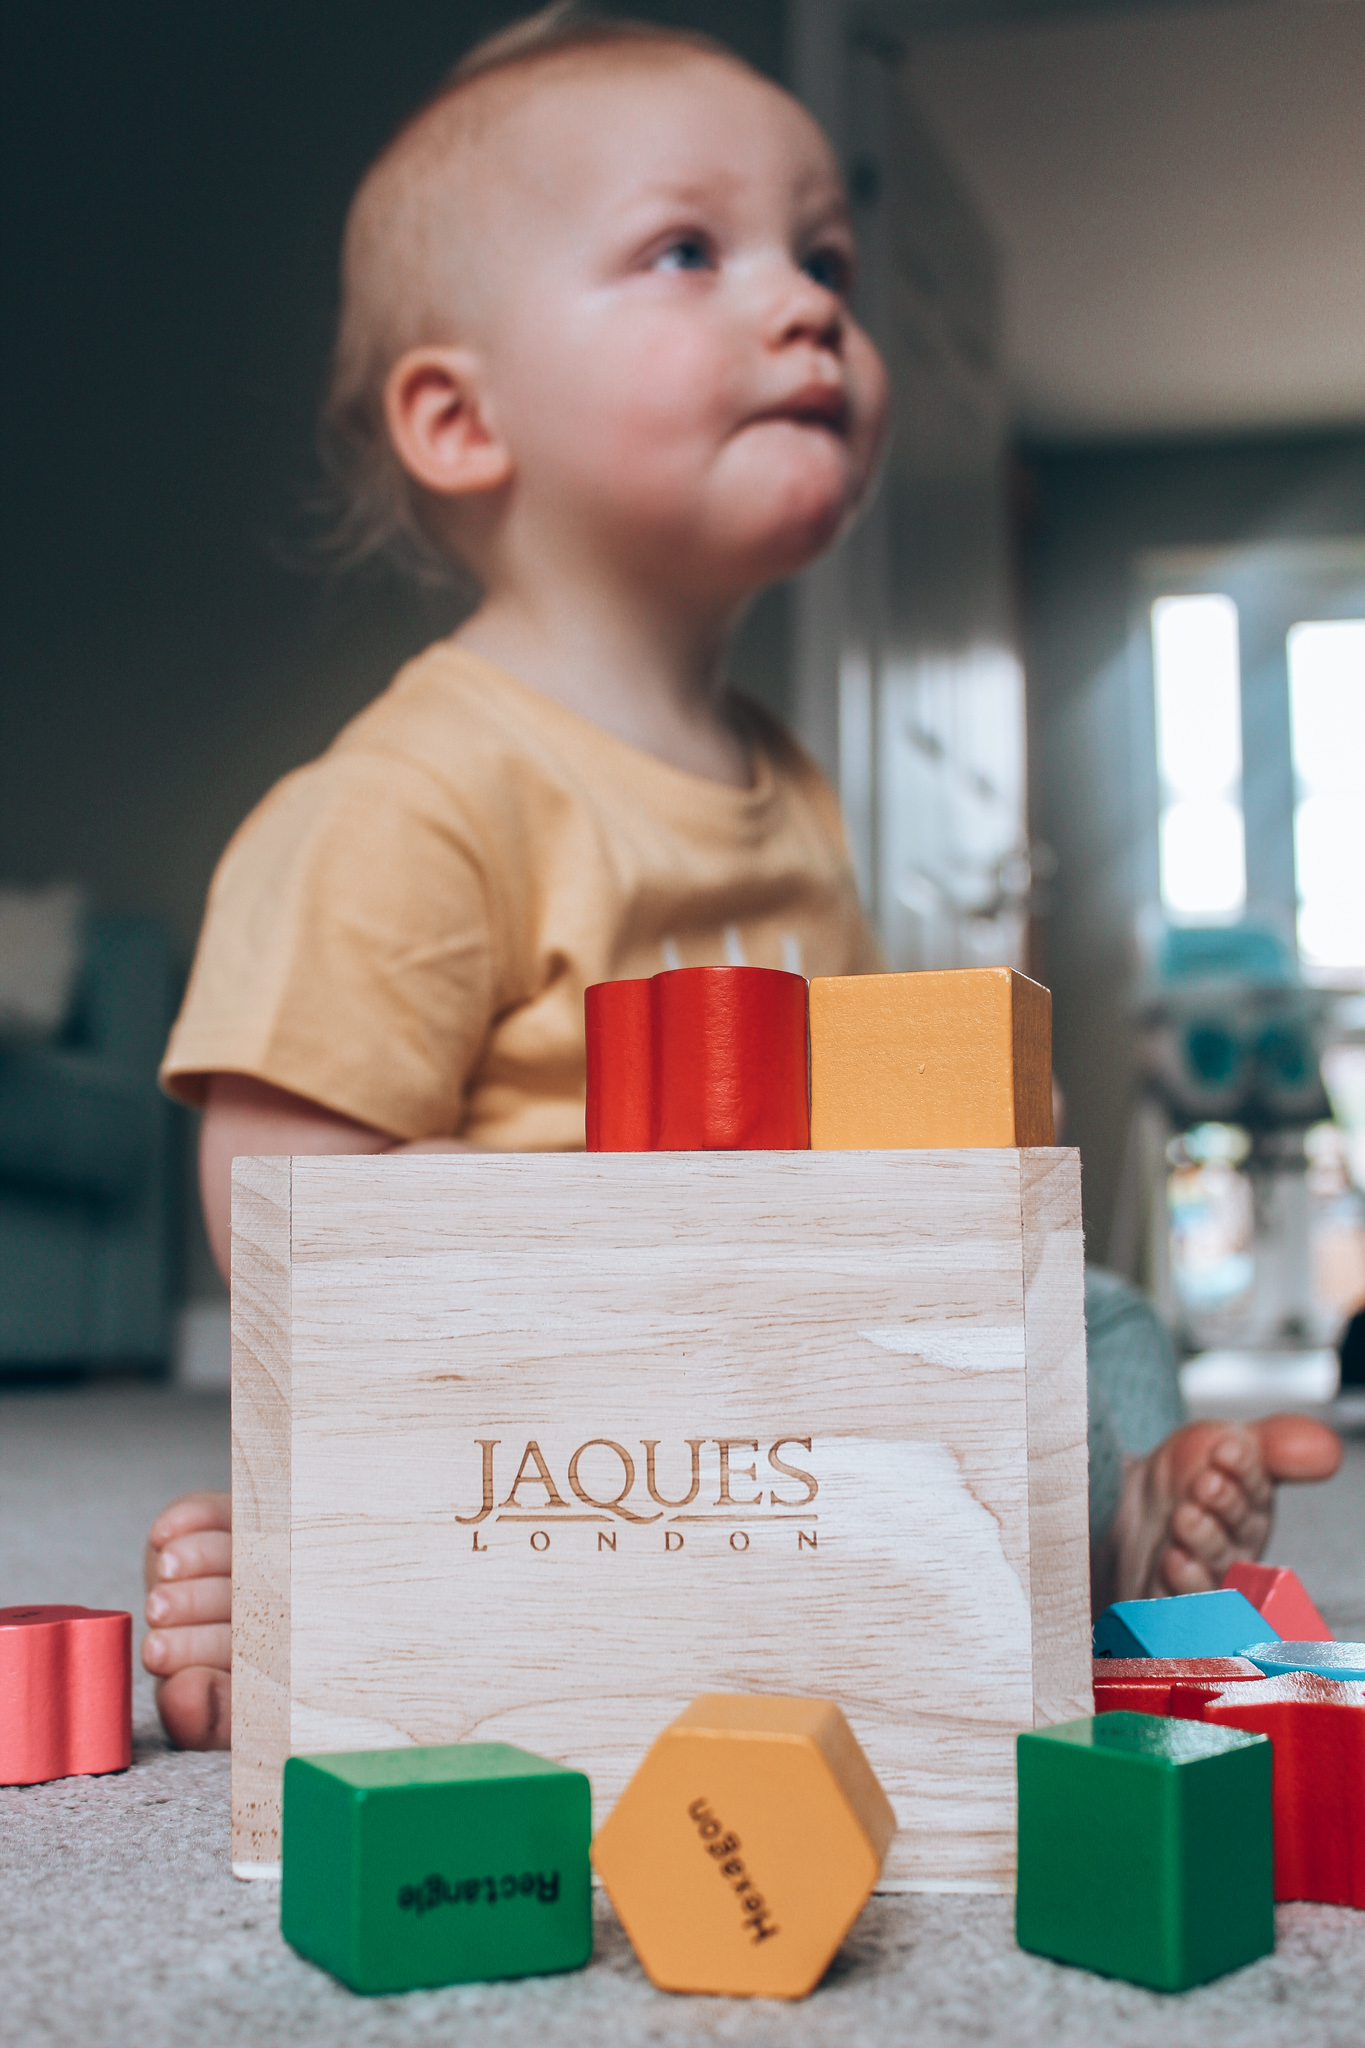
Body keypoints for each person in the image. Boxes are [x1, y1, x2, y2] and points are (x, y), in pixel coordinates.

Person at [142, 6, 1340, 1751]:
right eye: (687, 249)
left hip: (810, 1348)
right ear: (460, 419)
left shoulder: (792, 789)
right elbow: (287, 1216)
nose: (811, 306)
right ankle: (351, 1594)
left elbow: (861, 1142)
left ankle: (1101, 1543)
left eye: (826, 257)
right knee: (540, 1504)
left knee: (1095, 1309)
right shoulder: (409, 801)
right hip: (571, 1392)